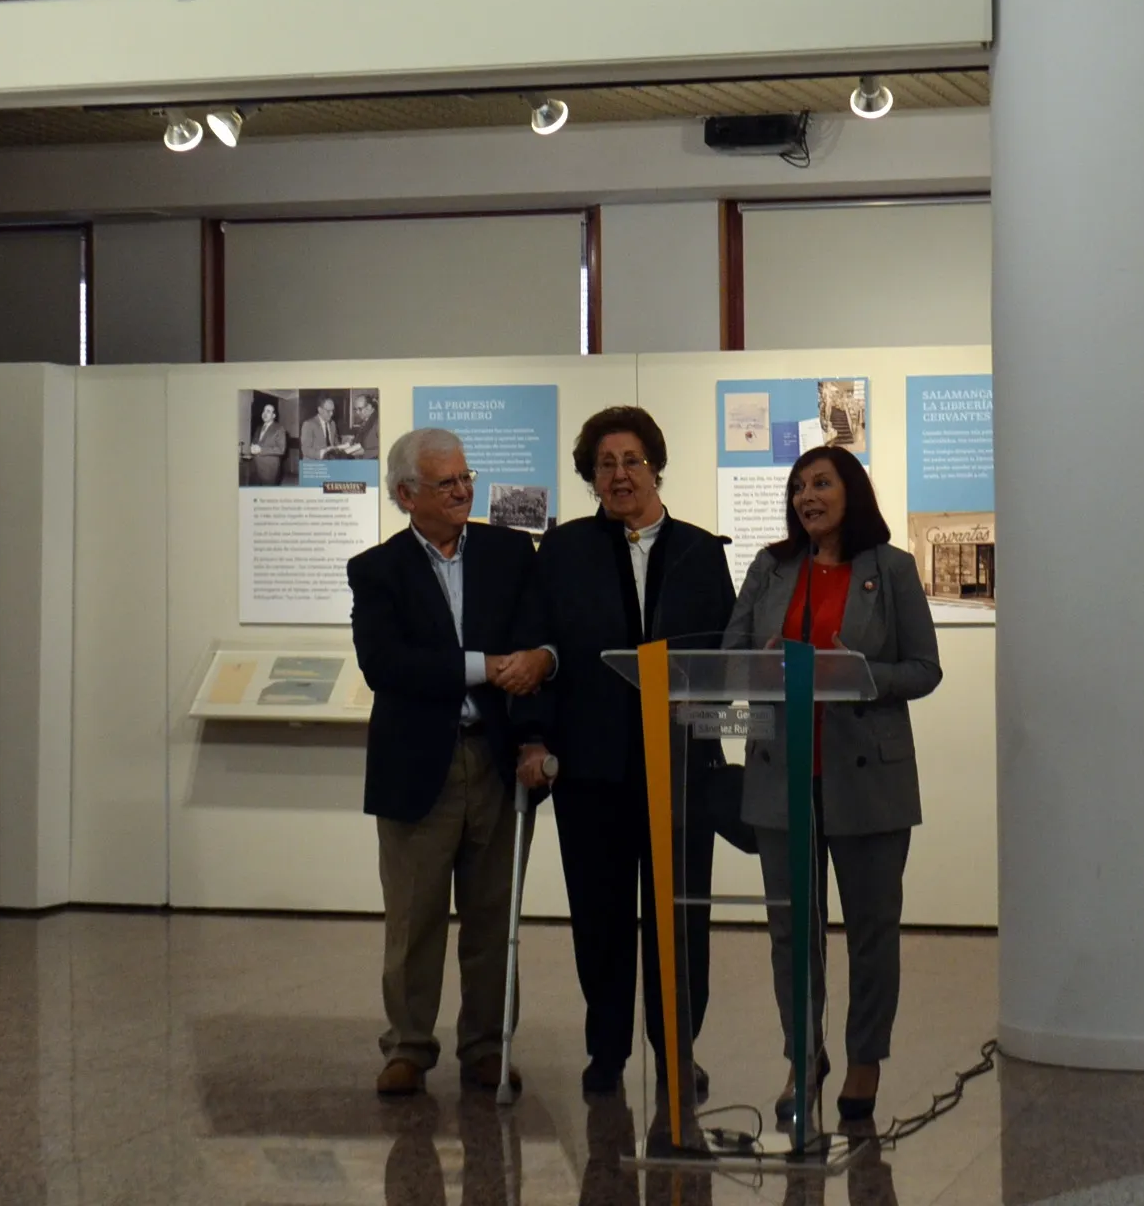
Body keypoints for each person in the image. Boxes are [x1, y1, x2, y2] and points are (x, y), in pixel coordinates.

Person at [724, 446, 941, 1124]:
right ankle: (802, 1056)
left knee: (871, 931)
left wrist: (859, 673)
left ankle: (864, 1060)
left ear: (851, 492)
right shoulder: (771, 567)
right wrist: (757, 663)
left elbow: (924, 669)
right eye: (798, 487)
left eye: (820, 483)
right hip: (780, 776)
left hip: (868, 779)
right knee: (792, 933)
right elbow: (728, 655)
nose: (806, 497)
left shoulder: (890, 569)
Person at [348, 427, 558, 1099]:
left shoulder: (509, 553)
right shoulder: (376, 570)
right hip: (417, 768)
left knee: (493, 918)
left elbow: (537, 642)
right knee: (414, 920)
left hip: (496, 762)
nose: (463, 491)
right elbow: (385, 664)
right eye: (447, 483)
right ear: (407, 495)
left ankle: (487, 1047)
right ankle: (408, 1047)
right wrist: (483, 668)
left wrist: (538, 686)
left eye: (466, 477)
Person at [537, 407, 737, 1099]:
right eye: (605, 464)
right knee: (600, 917)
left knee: (680, 917)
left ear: (655, 467)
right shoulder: (563, 551)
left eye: (631, 461)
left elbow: (724, 657)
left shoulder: (699, 550)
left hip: (682, 768)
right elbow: (543, 648)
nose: (619, 476)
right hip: (592, 768)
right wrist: (535, 738)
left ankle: (678, 1049)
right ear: (590, 476)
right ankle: (607, 1051)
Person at [304, 395, 342, 460]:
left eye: (333, 410)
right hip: (315, 463)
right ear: (320, 410)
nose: (332, 414)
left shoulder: (332, 423)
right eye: (328, 411)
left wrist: (342, 446)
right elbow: (305, 450)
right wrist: (323, 453)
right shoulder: (308, 424)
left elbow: (336, 443)